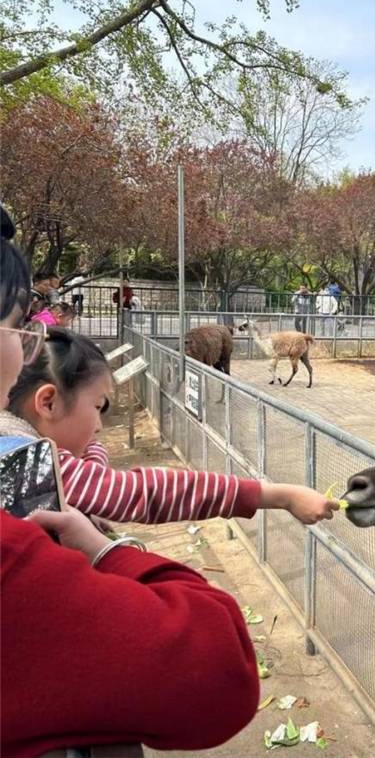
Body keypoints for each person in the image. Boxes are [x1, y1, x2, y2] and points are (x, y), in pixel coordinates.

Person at [0, 203, 261, 757]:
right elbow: (219, 675)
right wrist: (109, 550)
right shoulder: (17, 511)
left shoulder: (38, 466)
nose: (24, 347)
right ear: (48, 402)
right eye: (17, 326)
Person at [2, 327, 338, 527]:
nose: (100, 427)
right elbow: (144, 492)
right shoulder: (26, 468)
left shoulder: (22, 449)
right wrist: (280, 495)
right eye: (98, 407)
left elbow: (89, 482)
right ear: (47, 403)